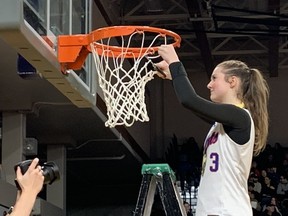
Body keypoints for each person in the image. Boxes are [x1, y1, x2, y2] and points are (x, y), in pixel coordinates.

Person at [156, 44, 269, 216]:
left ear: (232, 81)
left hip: (227, 211)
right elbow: (191, 104)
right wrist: (174, 77)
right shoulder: (222, 122)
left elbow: (190, 100)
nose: (209, 85)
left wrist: (175, 62)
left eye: (214, 78)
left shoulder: (240, 117)